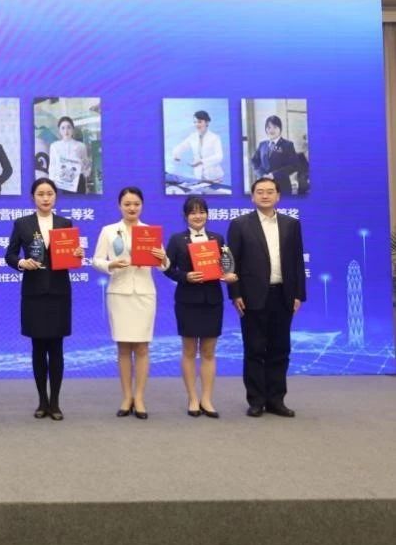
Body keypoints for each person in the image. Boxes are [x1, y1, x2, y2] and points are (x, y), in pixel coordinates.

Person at [4, 178, 84, 420]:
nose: (46, 198)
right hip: (34, 294)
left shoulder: (64, 223)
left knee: (56, 349)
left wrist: (77, 254)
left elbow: (70, 257)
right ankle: (42, 401)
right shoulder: (23, 224)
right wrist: (21, 262)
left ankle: (55, 403)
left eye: (50, 193)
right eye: (41, 194)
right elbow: (9, 255)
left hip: (59, 294)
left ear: (55, 197)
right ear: (33, 197)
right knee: (38, 349)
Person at [227, 178, 306, 418]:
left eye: (270, 192)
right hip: (251, 296)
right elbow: (231, 263)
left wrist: (298, 294)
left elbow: (297, 261)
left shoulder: (291, 224)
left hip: (283, 294)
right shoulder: (240, 224)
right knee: (254, 349)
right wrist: (235, 294)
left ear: (278, 196)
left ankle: (276, 400)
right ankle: (256, 400)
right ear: (252, 197)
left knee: (280, 349)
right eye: (260, 192)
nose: (265, 195)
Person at [92, 186, 169, 420]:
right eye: (127, 204)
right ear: (119, 206)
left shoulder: (149, 232)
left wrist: (162, 258)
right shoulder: (109, 231)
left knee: (142, 348)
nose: (132, 208)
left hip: (144, 294)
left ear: (142, 206)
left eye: (136, 204)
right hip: (119, 293)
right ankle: (126, 397)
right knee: (123, 348)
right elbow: (96, 260)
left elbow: (164, 266)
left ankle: (140, 397)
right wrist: (110, 265)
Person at [163, 196, 237, 419]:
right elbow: (167, 268)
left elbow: (226, 265)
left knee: (208, 352)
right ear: (186, 216)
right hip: (187, 301)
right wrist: (185, 276)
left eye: (202, 211)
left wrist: (228, 275)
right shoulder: (177, 240)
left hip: (212, 301)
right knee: (188, 351)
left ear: (207, 214)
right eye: (193, 212)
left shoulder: (217, 238)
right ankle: (192, 398)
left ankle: (207, 398)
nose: (198, 216)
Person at [250, 115, 299, 195]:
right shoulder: (262, 145)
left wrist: (273, 175)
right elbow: (254, 161)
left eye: (275, 127)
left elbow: (294, 165)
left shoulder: (288, 145)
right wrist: (262, 174)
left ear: (280, 129)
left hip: (282, 187)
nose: (271, 130)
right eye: (269, 127)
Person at [171, 110, 224, 184]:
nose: (196, 124)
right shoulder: (193, 136)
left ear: (207, 122)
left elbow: (219, 156)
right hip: (199, 177)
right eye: (195, 122)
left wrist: (201, 161)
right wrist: (176, 155)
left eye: (199, 122)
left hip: (214, 178)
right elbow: (181, 147)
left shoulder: (215, 138)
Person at [48, 116, 91, 195]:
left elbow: (86, 164)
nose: (66, 131)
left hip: (78, 181)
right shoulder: (54, 146)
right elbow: (52, 165)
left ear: (73, 129)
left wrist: (85, 171)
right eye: (63, 128)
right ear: (59, 130)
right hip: (60, 181)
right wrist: (52, 182)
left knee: (79, 202)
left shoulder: (81, 146)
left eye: (69, 127)